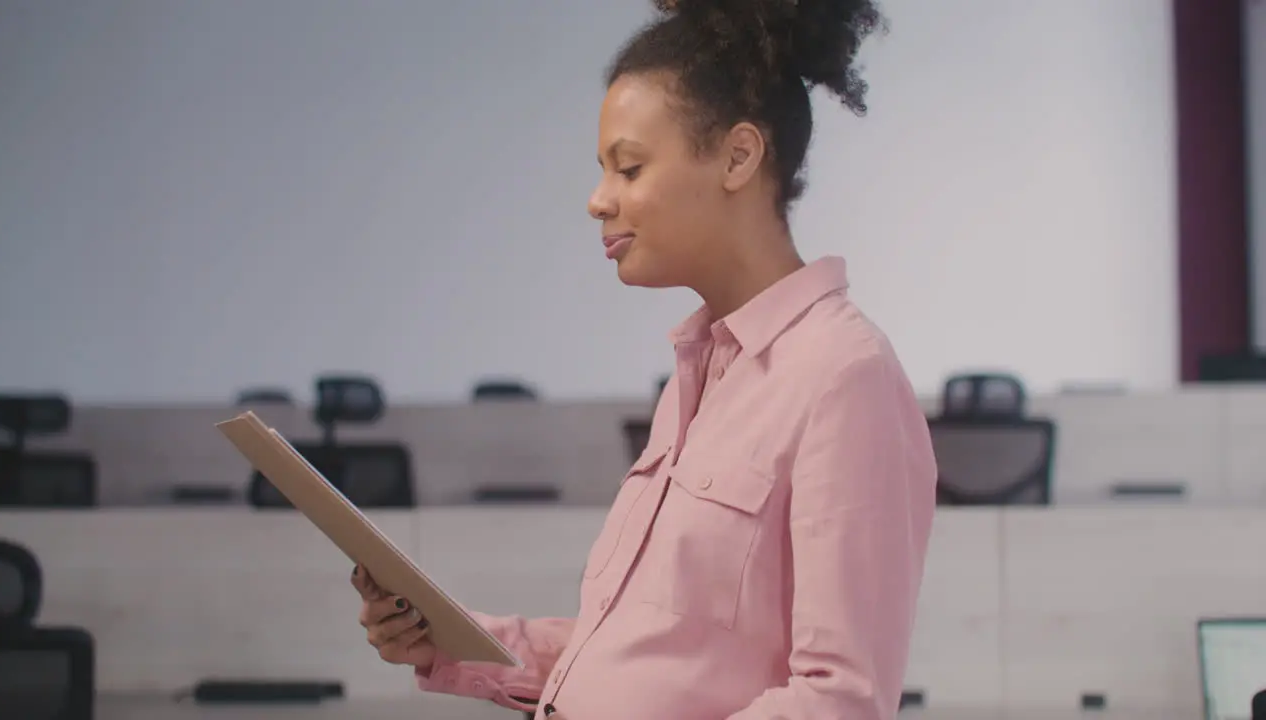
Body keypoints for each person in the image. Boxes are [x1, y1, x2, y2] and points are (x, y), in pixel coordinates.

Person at [352, 0, 937, 717]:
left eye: (628, 168)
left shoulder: (846, 377)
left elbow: (839, 698)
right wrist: (445, 641)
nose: (599, 200)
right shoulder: (697, 379)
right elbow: (641, 656)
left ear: (738, 155)